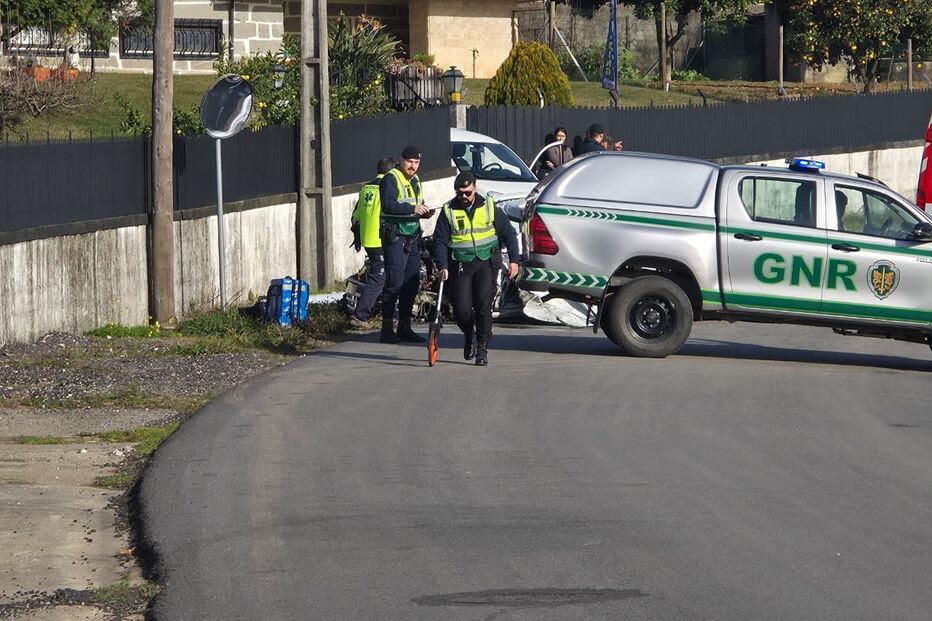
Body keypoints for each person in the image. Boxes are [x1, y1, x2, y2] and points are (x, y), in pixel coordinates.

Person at [433, 171, 521, 366]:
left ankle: (482, 347)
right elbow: (439, 240)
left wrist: (514, 260)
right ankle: (470, 335)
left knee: (483, 306)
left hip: (486, 262)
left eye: (467, 192)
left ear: (475, 188)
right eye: (460, 193)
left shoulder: (489, 206)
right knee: (461, 309)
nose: (464, 196)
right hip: (461, 263)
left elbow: (508, 233)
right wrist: (442, 265)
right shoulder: (448, 210)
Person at [378, 145, 434, 344]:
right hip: (395, 237)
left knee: (411, 282)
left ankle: (404, 326)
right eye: (409, 162)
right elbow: (388, 205)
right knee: (395, 282)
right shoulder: (391, 178)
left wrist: (424, 211)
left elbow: (417, 203)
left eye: (416, 162)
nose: (413, 166)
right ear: (401, 160)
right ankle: (387, 328)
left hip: (412, 237)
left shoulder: (416, 180)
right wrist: (413, 208)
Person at [348, 156, 396, 327]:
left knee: (387, 275)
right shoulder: (387, 188)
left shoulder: (366, 188)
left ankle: (390, 315)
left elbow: (356, 216)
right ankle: (360, 316)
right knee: (379, 277)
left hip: (367, 238)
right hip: (380, 239)